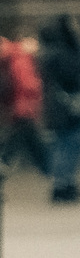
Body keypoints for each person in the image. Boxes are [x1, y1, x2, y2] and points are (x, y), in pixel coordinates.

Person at [39, 14, 80, 203]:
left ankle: (64, 183)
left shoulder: (52, 51)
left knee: (65, 146)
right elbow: (71, 74)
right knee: (67, 146)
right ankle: (62, 185)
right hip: (66, 106)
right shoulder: (64, 51)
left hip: (59, 107)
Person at [0, 32, 44, 174]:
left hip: (19, 104)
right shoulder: (22, 59)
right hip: (24, 104)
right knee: (23, 135)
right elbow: (27, 83)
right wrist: (37, 86)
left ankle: (8, 160)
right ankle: (44, 164)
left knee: (22, 135)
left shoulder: (15, 58)